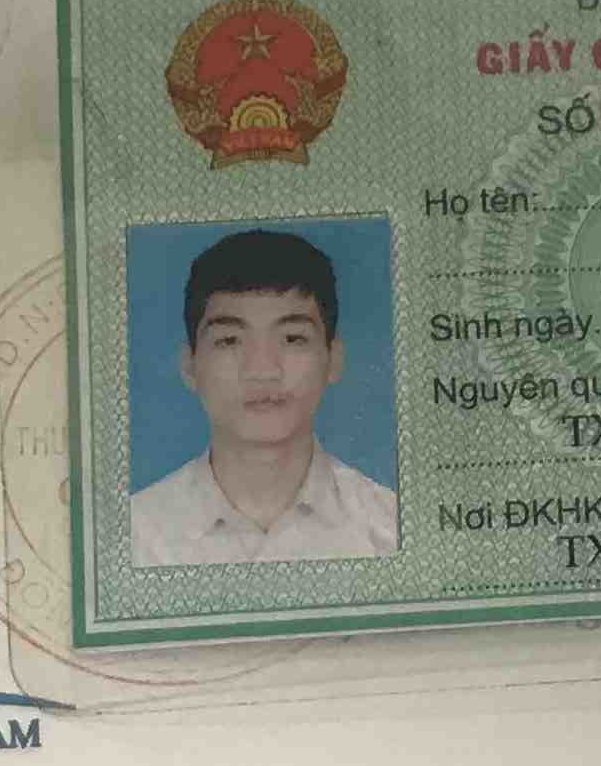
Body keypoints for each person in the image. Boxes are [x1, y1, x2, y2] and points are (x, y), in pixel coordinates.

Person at [127, 228, 399, 564]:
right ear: (189, 366)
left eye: (292, 338)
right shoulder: (135, 537)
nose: (262, 370)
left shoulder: (390, 529)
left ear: (334, 360)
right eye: (229, 341)